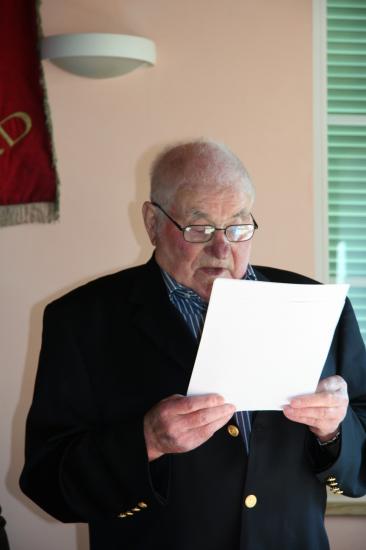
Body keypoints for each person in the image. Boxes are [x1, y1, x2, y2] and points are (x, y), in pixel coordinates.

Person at [20, 140, 366, 550]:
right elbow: (48, 482)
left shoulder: (317, 305)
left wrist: (333, 430)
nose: (222, 250)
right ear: (152, 222)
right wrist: (145, 442)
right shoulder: (81, 319)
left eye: (238, 227)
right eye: (199, 228)